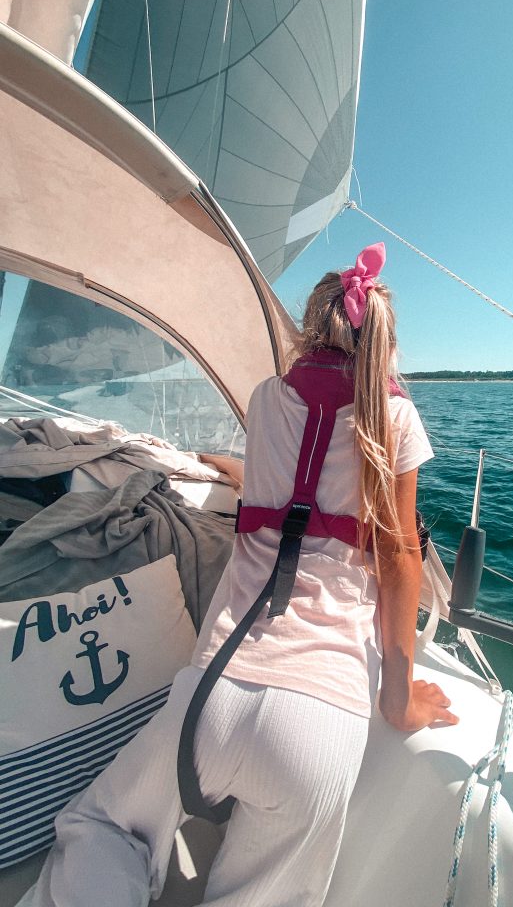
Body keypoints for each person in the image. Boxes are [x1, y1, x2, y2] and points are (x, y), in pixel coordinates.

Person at [20, 242, 458, 907]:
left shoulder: (265, 397)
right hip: (320, 724)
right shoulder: (394, 418)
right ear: (384, 347)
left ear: (308, 328)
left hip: (213, 695)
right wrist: (397, 701)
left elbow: (285, 492)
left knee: (102, 826)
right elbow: (399, 559)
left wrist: (228, 470)